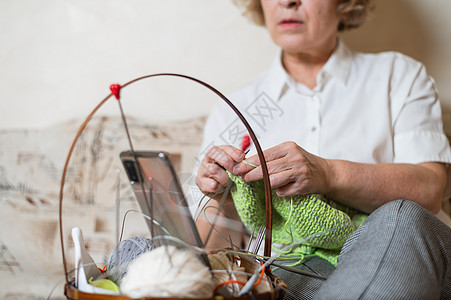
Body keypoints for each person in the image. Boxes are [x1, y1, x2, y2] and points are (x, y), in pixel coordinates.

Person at [194, 0, 451, 299]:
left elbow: (430, 190)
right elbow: (207, 258)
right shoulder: (234, 108)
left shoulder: (398, 75)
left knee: (400, 216)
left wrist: (327, 173)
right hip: (290, 278)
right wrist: (223, 199)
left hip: (406, 262)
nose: (287, 1)